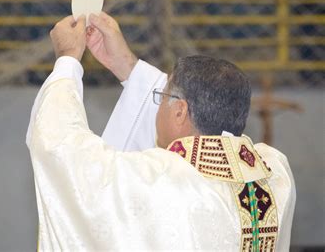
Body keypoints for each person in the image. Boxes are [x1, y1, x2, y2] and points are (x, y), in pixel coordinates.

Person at [26, 13, 296, 251]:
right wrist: (129, 68)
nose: (155, 106)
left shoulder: (161, 183)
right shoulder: (275, 174)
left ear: (179, 111)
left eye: (159, 97)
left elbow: (63, 151)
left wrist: (67, 61)